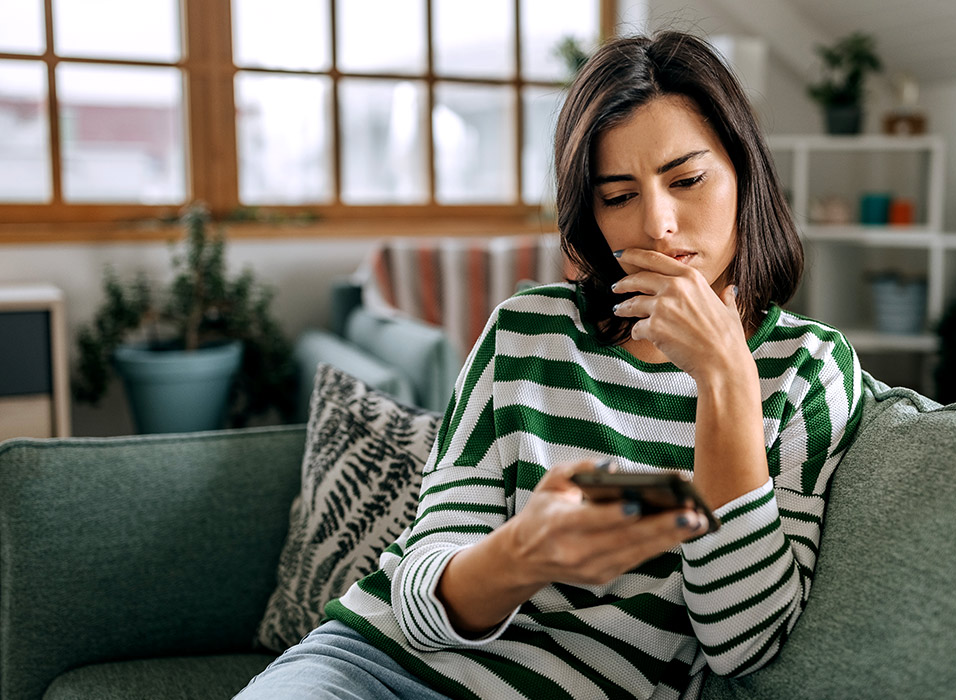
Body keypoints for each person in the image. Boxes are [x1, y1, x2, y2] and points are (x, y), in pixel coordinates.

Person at [237, 30, 862, 700]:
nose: (658, 225)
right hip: (369, 671)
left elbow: (742, 644)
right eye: (618, 196)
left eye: (686, 180)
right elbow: (417, 605)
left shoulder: (807, 370)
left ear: (744, 174)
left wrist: (727, 381)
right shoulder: (525, 332)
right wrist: (523, 554)